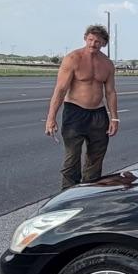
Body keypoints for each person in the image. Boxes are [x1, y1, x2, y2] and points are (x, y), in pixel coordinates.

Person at [45, 24, 119, 189]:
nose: (93, 44)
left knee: (96, 157)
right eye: (91, 40)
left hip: (98, 115)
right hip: (75, 112)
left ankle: (89, 193)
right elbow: (60, 90)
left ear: (104, 44)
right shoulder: (73, 59)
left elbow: (110, 92)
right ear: (85, 38)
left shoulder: (107, 64)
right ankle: (68, 194)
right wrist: (51, 118)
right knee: (72, 158)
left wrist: (114, 118)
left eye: (98, 41)